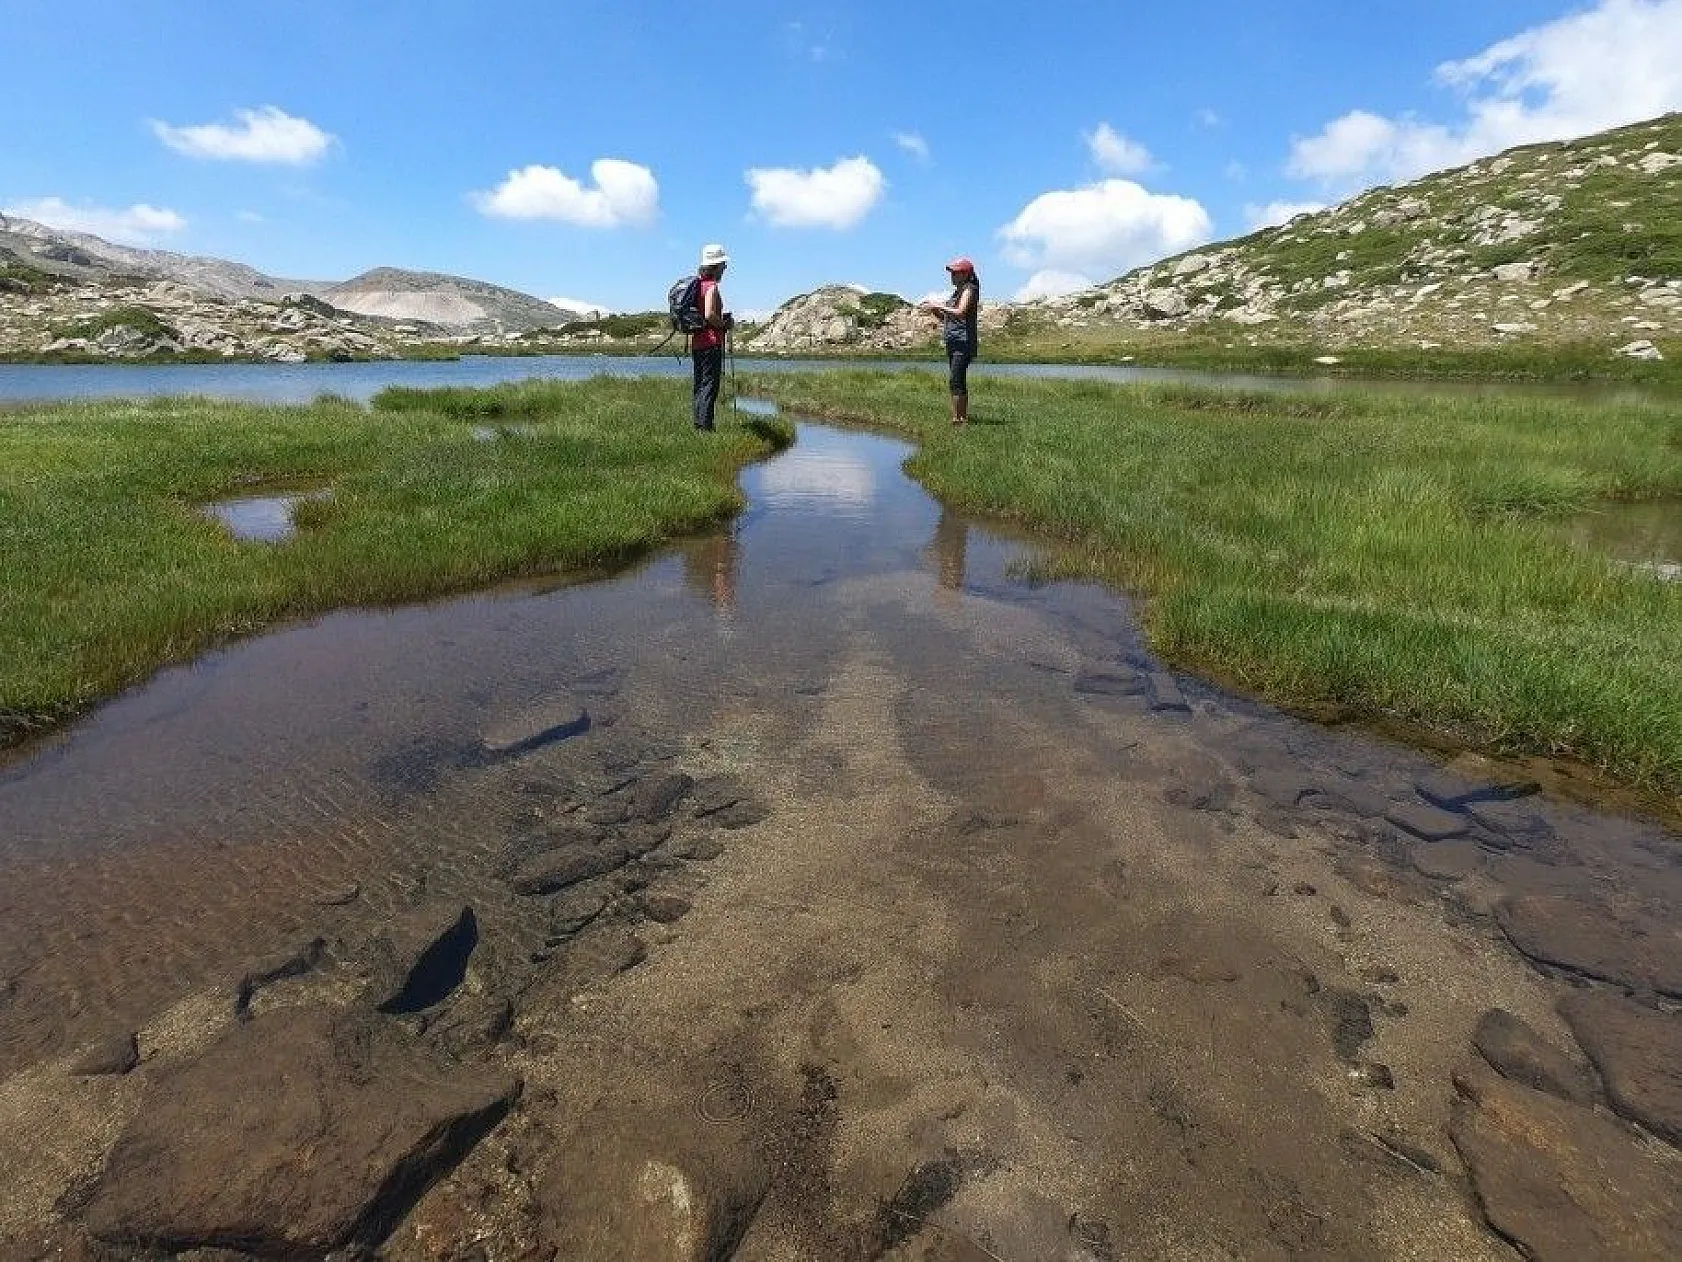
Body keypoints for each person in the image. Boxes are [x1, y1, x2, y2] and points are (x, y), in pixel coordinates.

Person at [920, 257, 980, 426]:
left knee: (956, 379)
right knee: (957, 380)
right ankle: (959, 418)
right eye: (951, 272)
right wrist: (934, 311)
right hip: (953, 341)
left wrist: (937, 304)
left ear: (965, 274)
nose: (951, 275)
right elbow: (947, 318)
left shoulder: (970, 289)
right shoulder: (957, 292)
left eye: (955, 272)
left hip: (964, 341)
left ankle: (959, 419)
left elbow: (960, 312)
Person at [691, 243, 734, 432]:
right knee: (710, 386)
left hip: (698, 343)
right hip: (711, 342)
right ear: (716, 266)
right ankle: (706, 429)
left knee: (700, 384)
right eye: (723, 264)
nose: (725, 268)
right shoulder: (711, 287)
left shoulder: (697, 285)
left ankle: (699, 425)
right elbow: (708, 314)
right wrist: (724, 325)